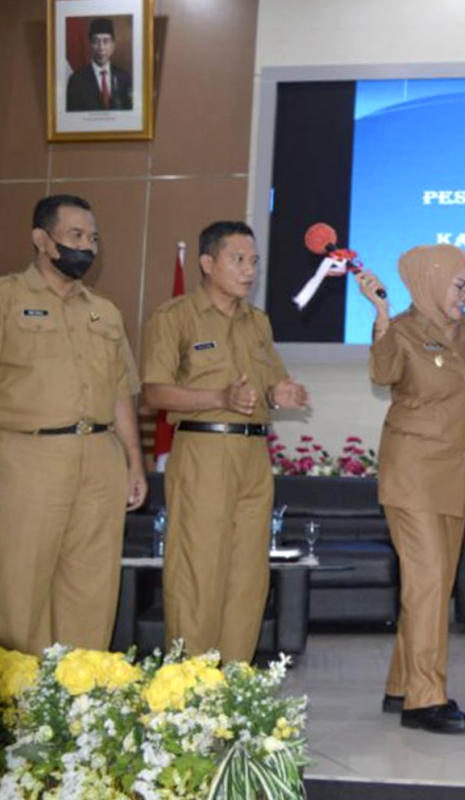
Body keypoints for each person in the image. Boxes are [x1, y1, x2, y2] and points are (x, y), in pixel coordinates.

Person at [141, 221, 309, 664]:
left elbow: (271, 382)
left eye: (254, 260)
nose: (249, 269)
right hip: (204, 450)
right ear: (207, 263)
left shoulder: (258, 322)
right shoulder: (175, 317)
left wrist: (281, 393)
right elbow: (154, 392)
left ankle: (234, 683)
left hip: (253, 454)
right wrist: (218, 397)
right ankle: (192, 687)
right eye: (238, 259)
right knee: (199, 569)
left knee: (248, 574)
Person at [356, 244, 465, 734]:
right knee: (430, 583)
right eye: (460, 285)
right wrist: (378, 316)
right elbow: (383, 372)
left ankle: (401, 685)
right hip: (414, 475)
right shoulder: (401, 329)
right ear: (432, 281)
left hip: (456, 476)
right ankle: (425, 699)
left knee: (428, 588)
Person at [0, 194, 147, 656]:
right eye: (76, 236)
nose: (88, 246)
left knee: (93, 582)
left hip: (100, 458)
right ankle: (19, 700)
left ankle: (78, 699)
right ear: (42, 240)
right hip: (28, 458)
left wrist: (134, 464)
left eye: (94, 238)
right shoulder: (7, 298)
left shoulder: (104, 311)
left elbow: (120, 391)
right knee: (20, 580)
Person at [66, 18, 134, 112]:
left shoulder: (125, 77)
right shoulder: (76, 80)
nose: (101, 47)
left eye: (106, 41)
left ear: (113, 45)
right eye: (96, 41)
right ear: (89, 44)